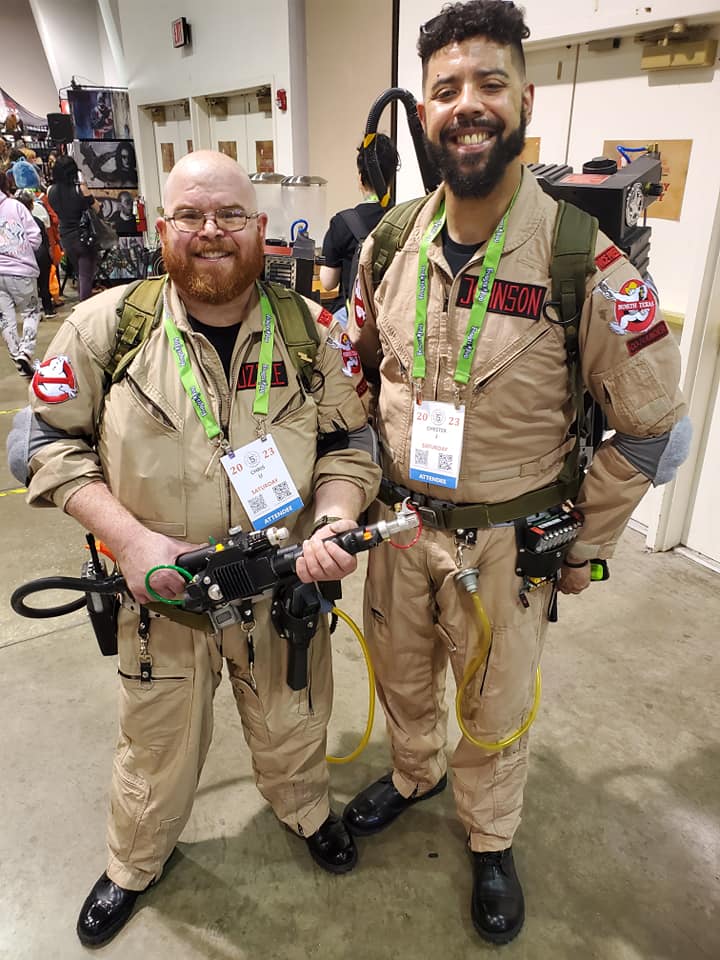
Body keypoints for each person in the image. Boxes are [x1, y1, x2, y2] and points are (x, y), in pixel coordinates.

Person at [343, 0, 689, 945]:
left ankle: (490, 835)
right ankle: (414, 773)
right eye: (446, 88)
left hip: (506, 547)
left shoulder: (586, 261)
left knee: (495, 705)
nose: (468, 104)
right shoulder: (387, 246)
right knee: (402, 679)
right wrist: (342, 491)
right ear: (424, 112)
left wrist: (580, 546)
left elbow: (653, 427)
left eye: (490, 83)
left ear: (525, 101)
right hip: (397, 531)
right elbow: (350, 378)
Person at [13, 150, 380, 948]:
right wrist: (130, 540)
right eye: (191, 215)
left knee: (294, 721)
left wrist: (333, 517)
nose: (211, 231)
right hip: (164, 599)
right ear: (161, 227)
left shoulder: (309, 332)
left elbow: (351, 442)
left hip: (280, 594)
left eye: (230, 215)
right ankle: (134, 862)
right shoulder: (106, 327)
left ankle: (305, 812)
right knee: (156, 744)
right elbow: (40, 445)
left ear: (260, 227)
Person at [319, 133, 399, 320]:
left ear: (361, 178)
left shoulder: (342, 222)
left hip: (353, 318)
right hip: (391, 319)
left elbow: (328, 283)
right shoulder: (405, 219)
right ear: (390, 179)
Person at [0, 170, 41, 376]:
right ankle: (26, 352)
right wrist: (23, 250)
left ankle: (18, 359)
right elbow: (35, 236)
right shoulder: (15, 206)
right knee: (31, 312)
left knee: (5, 319)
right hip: (21, 270)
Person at [47, 154, 98, 301]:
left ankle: (83, 302)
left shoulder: (50, 191)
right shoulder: (79, 189)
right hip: (83, 235)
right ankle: (85, 306)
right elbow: (96, 208)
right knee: (85, 275)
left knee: (80, 272)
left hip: (65, 237)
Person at [15, 190, 55, 317]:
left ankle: (33, 312)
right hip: (41, 254)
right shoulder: (37, 221)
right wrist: (51, 255)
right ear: (32, 205)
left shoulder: (14, 223)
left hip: (24, 256)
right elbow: (46, 240)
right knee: (44, 283)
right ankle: (48, 309)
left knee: (28, 287)